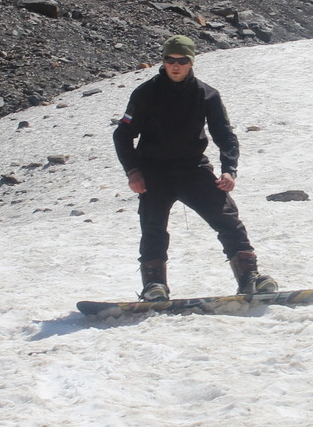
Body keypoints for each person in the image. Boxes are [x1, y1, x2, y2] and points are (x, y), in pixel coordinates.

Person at [113, 34, 277, 301]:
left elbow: (225, 135)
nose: (175, 65)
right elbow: (122, 135)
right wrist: (133, 171)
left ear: (191, 62)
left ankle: (249, 279)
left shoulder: (207, 95)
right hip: (154, 172)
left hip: (193, 169)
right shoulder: (144, 94)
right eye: (170, 60)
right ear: (163, 61)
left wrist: (229, 170)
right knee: (153, 227)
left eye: (182, 60)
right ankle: (154, 286)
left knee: (227, 219)